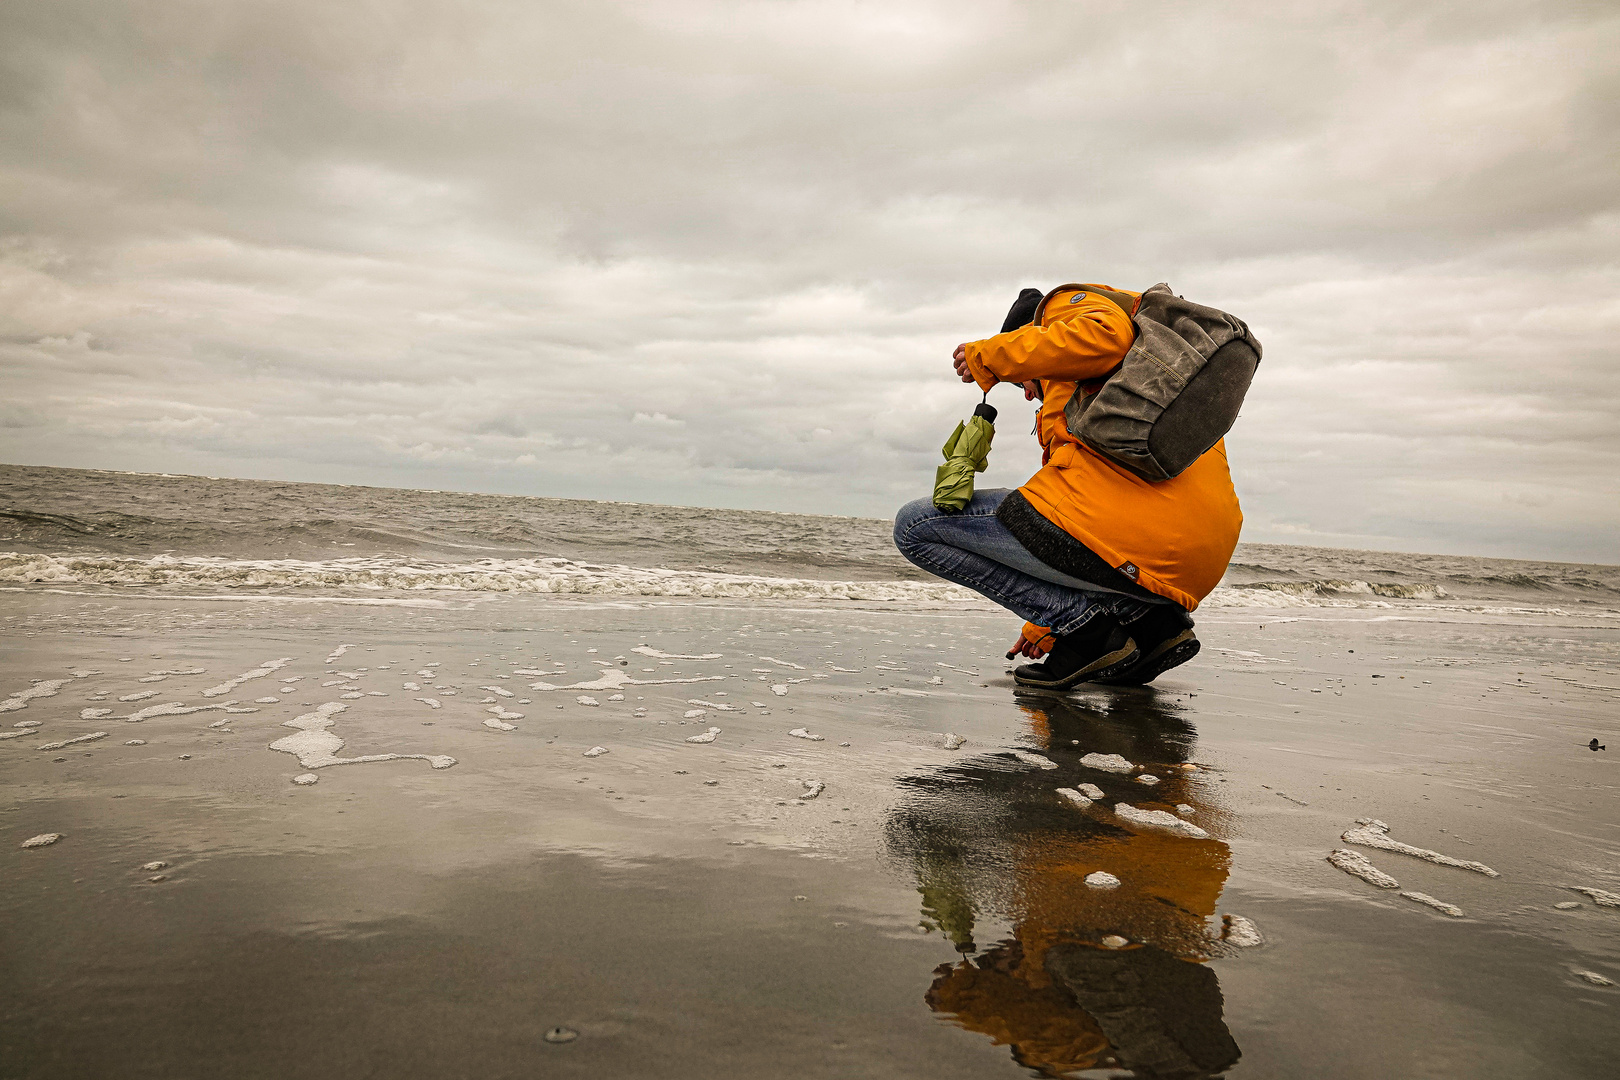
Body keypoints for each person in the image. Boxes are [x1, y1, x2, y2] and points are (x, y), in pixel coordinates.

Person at [893, 284, 1243, 688]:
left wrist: (990, 355)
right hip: (1194, 556)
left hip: (1137, 540)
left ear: (1033, 335)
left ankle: (1089, 634)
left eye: (1023, 380)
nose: (1026, 393)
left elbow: (1104, 337)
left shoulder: (1069, 311)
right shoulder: (1145, 382)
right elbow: (1062, 527)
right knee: (1035, 515)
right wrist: (1041, 624)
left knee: (915, 526)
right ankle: (1152, 628)